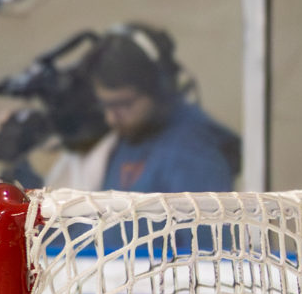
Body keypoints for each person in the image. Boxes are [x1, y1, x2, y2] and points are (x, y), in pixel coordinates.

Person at [86, 26, 239, 193]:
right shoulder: (131, 136)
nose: (111, 119)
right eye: (105, 105)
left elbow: (204, 218)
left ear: (160, 88)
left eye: (124, 104)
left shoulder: (193, 151)